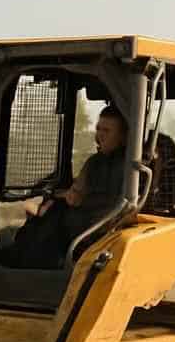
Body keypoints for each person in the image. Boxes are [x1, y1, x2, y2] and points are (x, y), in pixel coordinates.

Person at [7, 105, 128, 269]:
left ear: (123, 136)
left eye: (107, 130)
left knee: (46, 220)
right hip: (96, 226)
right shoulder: (128, 164)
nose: (100, 135)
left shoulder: (97, 163)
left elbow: (74, 198)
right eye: (99, 129)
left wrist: (56, 196)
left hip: (90, 229)